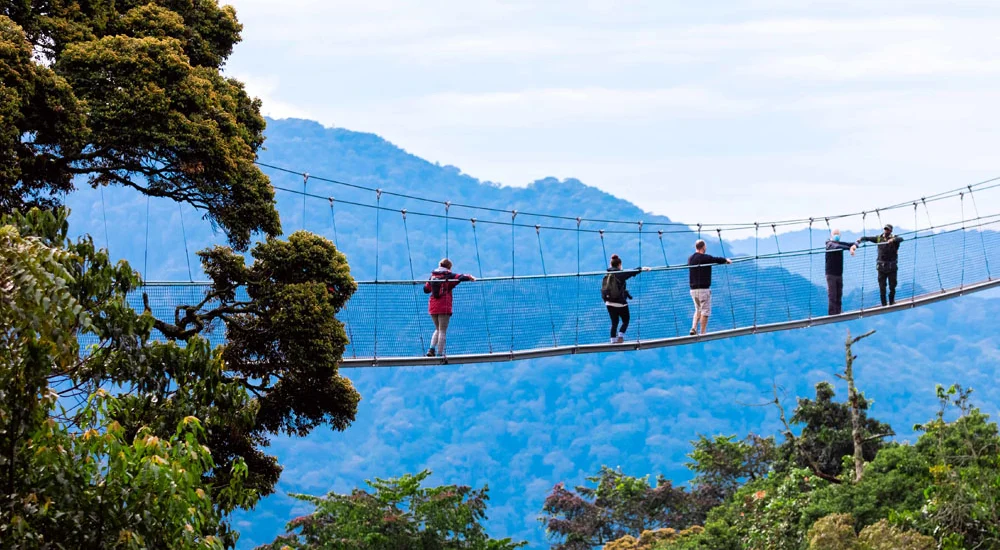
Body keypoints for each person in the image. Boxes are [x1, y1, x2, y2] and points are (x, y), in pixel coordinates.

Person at [423, 258, 475, 357]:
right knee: (442, 330)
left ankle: (431, 349)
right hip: (444, 306)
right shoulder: (449, 276)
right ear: (449, 267)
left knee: (437, 329)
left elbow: (426, 289)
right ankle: (440, 354)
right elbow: (461, 277)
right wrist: (470, 277)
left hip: (433, 306)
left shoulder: (432, 276)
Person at [602, 254, 650, 343]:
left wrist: (606, 301)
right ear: (619, 264)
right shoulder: (619, 274)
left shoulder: (607, 275)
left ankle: (612, 340)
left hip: (608, 303)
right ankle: (620, 336)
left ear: (610, 264)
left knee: (614, 322)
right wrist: (642, 268)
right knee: (626, 320)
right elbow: (631, 272)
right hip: (620, 303)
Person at [687, 239, 731, 336]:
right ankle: (703, 333)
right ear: (703, 247)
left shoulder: (690, 258)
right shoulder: (705, 258)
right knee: (705, 311)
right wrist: (726, 260)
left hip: (693, 290)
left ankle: (693, 328)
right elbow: (716, 259)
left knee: (697, 309)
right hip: (703, 289)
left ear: (696, 247)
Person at [855, 224, 904, 306]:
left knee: (892, 286)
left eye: (888, 230)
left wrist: (893, 240)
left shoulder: (895, 238)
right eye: (885, 229)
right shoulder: (879, 238)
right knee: (882, 287)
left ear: (891, 231)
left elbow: (901, 239)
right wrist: (860, 240)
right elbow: (868, 238)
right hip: (881, 268)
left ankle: (891, 302)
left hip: (892, 267)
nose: (886, 231)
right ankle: (884, 304)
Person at [825, 228, 856, 315]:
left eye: (838, 234)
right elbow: (837, 247)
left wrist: (854, 245)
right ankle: (832, 314)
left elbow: (850, 244)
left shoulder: (839, 244)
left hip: (839, 273)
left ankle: (838, 312)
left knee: (839, 294)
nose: (836, 236)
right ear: (831, 235)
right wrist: (849, 249)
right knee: (832, 294)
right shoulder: (829, 244)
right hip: (831, 274)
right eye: (835, 234)